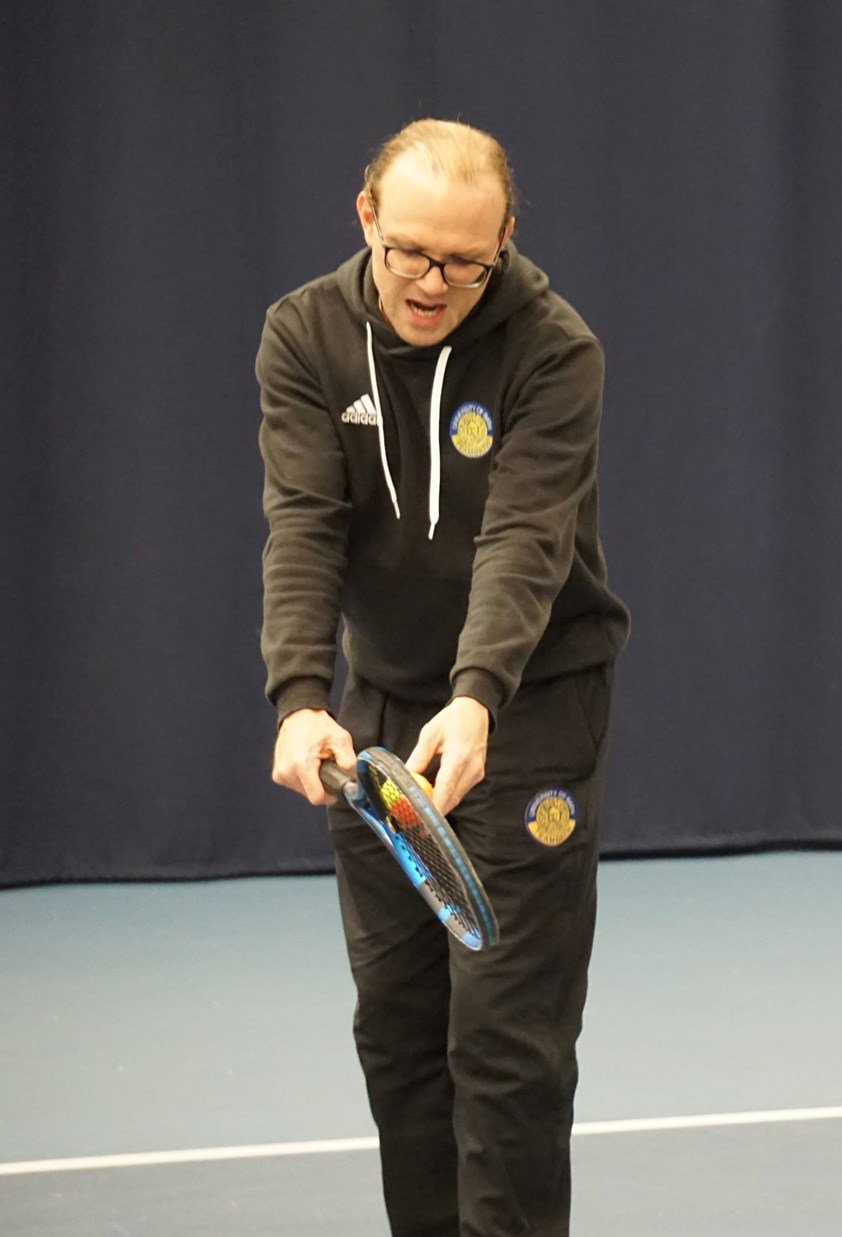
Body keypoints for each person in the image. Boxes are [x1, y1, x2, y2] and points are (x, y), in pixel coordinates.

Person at [258, 118, 629, 1236]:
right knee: (400, 1030)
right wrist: (300, 696)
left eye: (466, 261)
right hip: (374, 719)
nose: (433, 282)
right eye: (411, 251)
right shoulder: (304, 336)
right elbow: (304, 526)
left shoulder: (556, 350)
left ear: (506, 241)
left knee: (507, 1044)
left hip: (528, 717)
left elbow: (525, 539)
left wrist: (477, 698)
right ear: (366, 215)